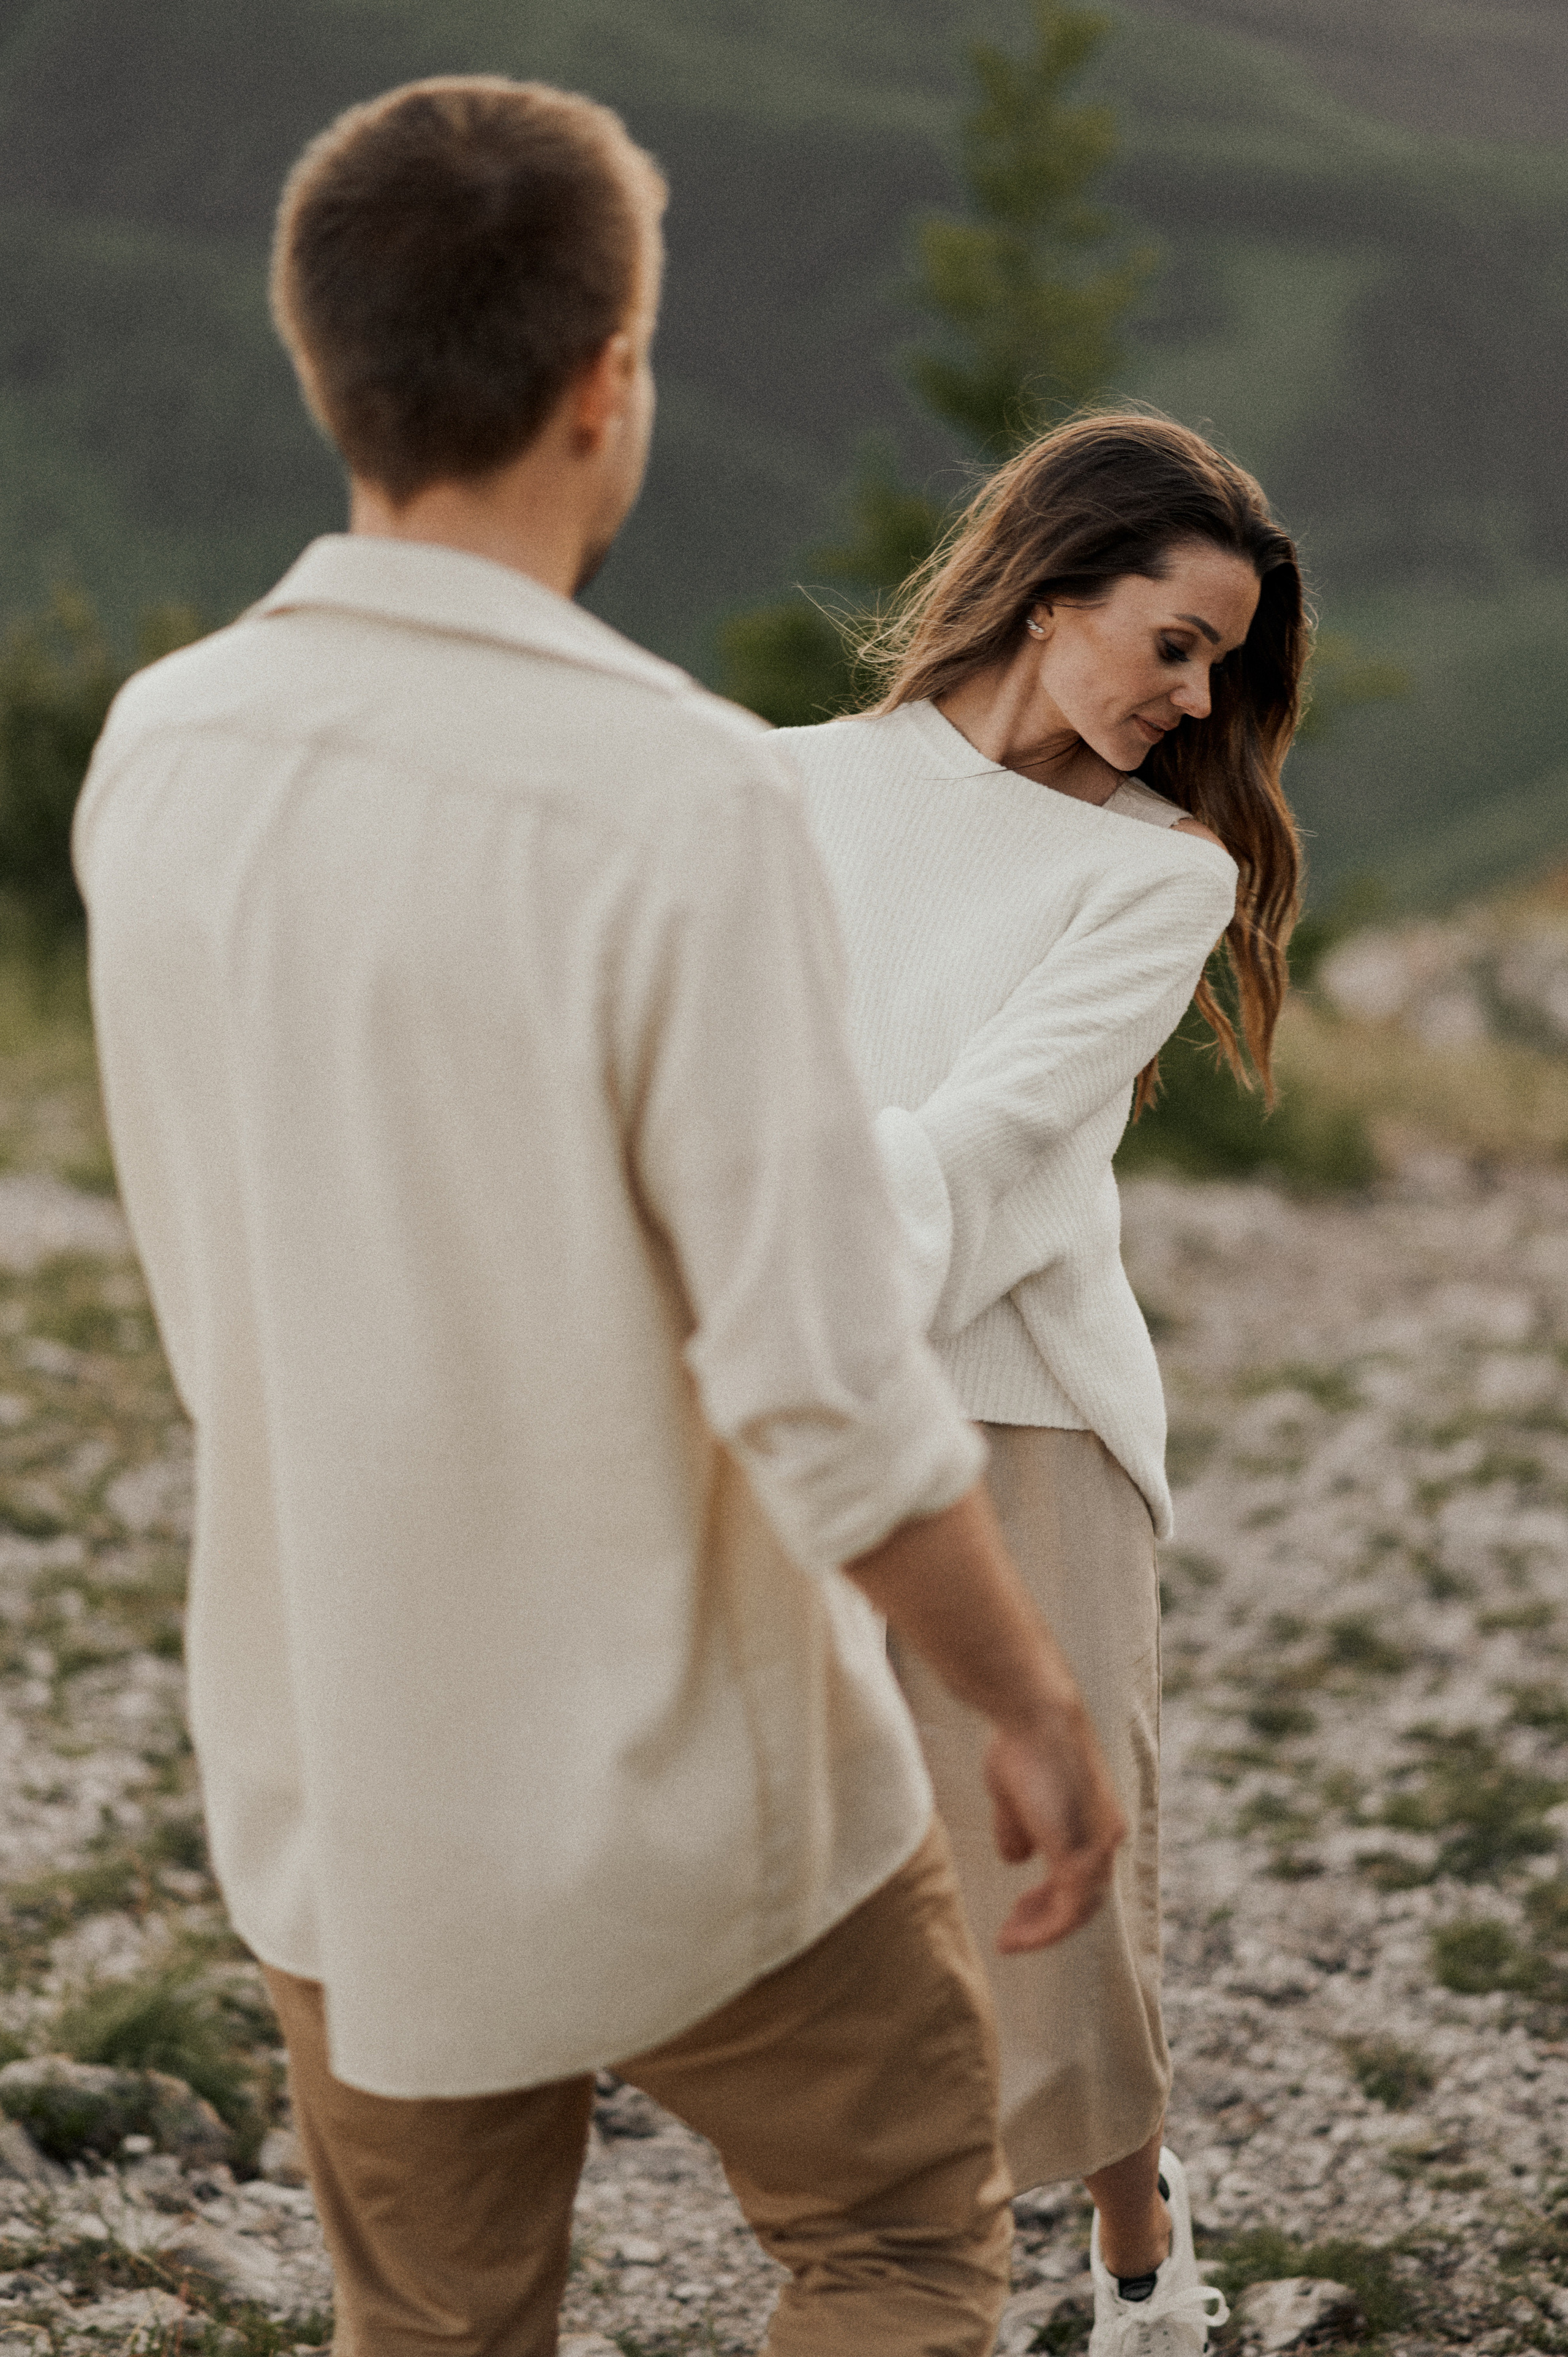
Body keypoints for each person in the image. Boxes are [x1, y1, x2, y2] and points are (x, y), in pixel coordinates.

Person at [72, 77, 1126, 2357]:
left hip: (340, 1765)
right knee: (891, 2246)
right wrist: (1027, 1697)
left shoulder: (158, 749)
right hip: (698, 1790)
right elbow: (822, 1374)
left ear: (320, 359)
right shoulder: (672, 792)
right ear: (608, 382)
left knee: (439, 2333)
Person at [783, 412, 1306, 2357]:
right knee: (839, 1859)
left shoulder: (1158, 877)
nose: (1196, 699)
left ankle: (1138, 2226)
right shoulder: (785, 791)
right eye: (1178, 642)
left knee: (1058, 1862)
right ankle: (881, 2266)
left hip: (1023, 1403)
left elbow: (996, 1145)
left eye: (1221, 671)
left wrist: (778, 1264)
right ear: (1055, 582)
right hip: (796, 1378)